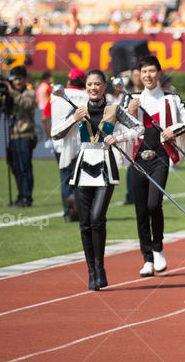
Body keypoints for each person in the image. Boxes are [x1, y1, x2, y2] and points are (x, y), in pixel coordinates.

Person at [126, 55, 185, 277]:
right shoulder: (131, 99)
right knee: (140, 210)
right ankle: (146, 258)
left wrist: (174, 131)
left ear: (158, 73)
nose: (148, 75)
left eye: (152, 71)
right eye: (144, 72)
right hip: (137, 159)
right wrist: (128, 112)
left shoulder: (171, 99)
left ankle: (157, 248)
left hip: (160, 157)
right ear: (139, 75)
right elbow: (117, 127)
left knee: (153, 204)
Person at [71, 70, 142, 290]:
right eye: (90, 84)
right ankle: (91, 271)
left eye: (97, 84)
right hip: (82, 167)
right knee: (84, 223)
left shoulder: (114, 108)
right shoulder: (79, 109)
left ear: (104, 86)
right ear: (86, 86)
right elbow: (56, 133)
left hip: (105, 166)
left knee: (96, 218)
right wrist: (72, 121)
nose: (93, 88)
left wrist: (118, 137)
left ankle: (100, 267)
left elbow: (140, 128)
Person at [51, 69, 88, 221]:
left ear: (68, 80)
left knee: (65, 179)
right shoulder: (87, 96)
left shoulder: (54, 96)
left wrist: (49, 137)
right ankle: (79, 209)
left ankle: (68, 213)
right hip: (80, 143)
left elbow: (45, 117)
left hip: (59, 142)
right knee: (80, 179)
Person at [6, 65, 38, 207]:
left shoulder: (29, 92)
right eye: (15, 79)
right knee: (15, 166)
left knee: (25, 167)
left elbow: (26, 104)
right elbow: (0, 108)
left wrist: (11, 92)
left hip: (26, 135)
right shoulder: (11, 94)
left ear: (25, 79)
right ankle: (21, 196)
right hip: (13, 135)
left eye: (20, 79)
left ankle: (27, 197)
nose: (17, 82)